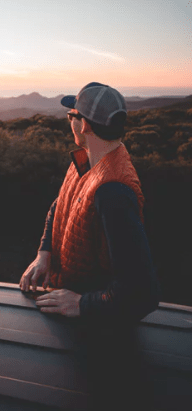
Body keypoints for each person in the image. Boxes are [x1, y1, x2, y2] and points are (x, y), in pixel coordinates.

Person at [19, 82, 160, 410]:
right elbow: (61, 203)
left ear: (82, 124)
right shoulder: (88, 158)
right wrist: (45, 252)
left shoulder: (114, 192)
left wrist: (83, 304)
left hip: (96, 338)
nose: (70, 121)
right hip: (67, 306)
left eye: (72, 114)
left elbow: (142, 293)